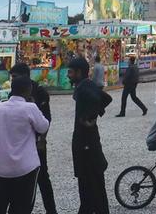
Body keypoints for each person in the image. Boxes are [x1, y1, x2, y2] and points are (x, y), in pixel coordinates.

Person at [0, 76, 50, 214]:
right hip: (26, 167)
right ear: (29, 90)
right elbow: (43, 126)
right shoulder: (29, 107)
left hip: (2, 167)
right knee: (22, 205)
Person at [10, 63, 57, 214]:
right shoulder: (14, 94)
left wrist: (42, 140)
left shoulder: (40, 92)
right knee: (21, 180)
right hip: (20, 143)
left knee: (43, 177)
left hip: (36, 143)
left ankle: (51, 210)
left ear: (25, 76)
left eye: (15, 77)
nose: (12, 81)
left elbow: (46, 119)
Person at [67, 56, 112, 214]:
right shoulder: (87, 84)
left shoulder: (83, 88)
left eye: (70, 72)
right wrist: (94, 114)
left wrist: (88, 118)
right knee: (93, 188)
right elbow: (106, 98)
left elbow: (101, 98)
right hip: (89, 143)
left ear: (79, 72)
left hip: (87, 146)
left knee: (91, 188)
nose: (68, 75)